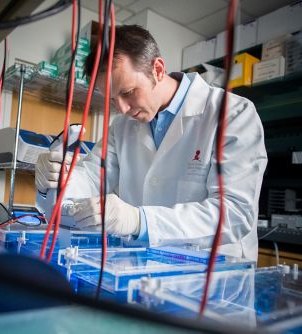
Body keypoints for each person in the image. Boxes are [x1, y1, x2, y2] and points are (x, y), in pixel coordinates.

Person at [35, 25, 267, 261]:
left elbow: (234, 213)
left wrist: (139, 221)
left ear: (157, 69)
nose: (122, 109)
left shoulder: (232, 113)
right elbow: (92, 177)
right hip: (142, 270)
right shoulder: (121, 127)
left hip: (213, 276)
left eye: (128, 92)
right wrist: (57, 177)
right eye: (113, 99)